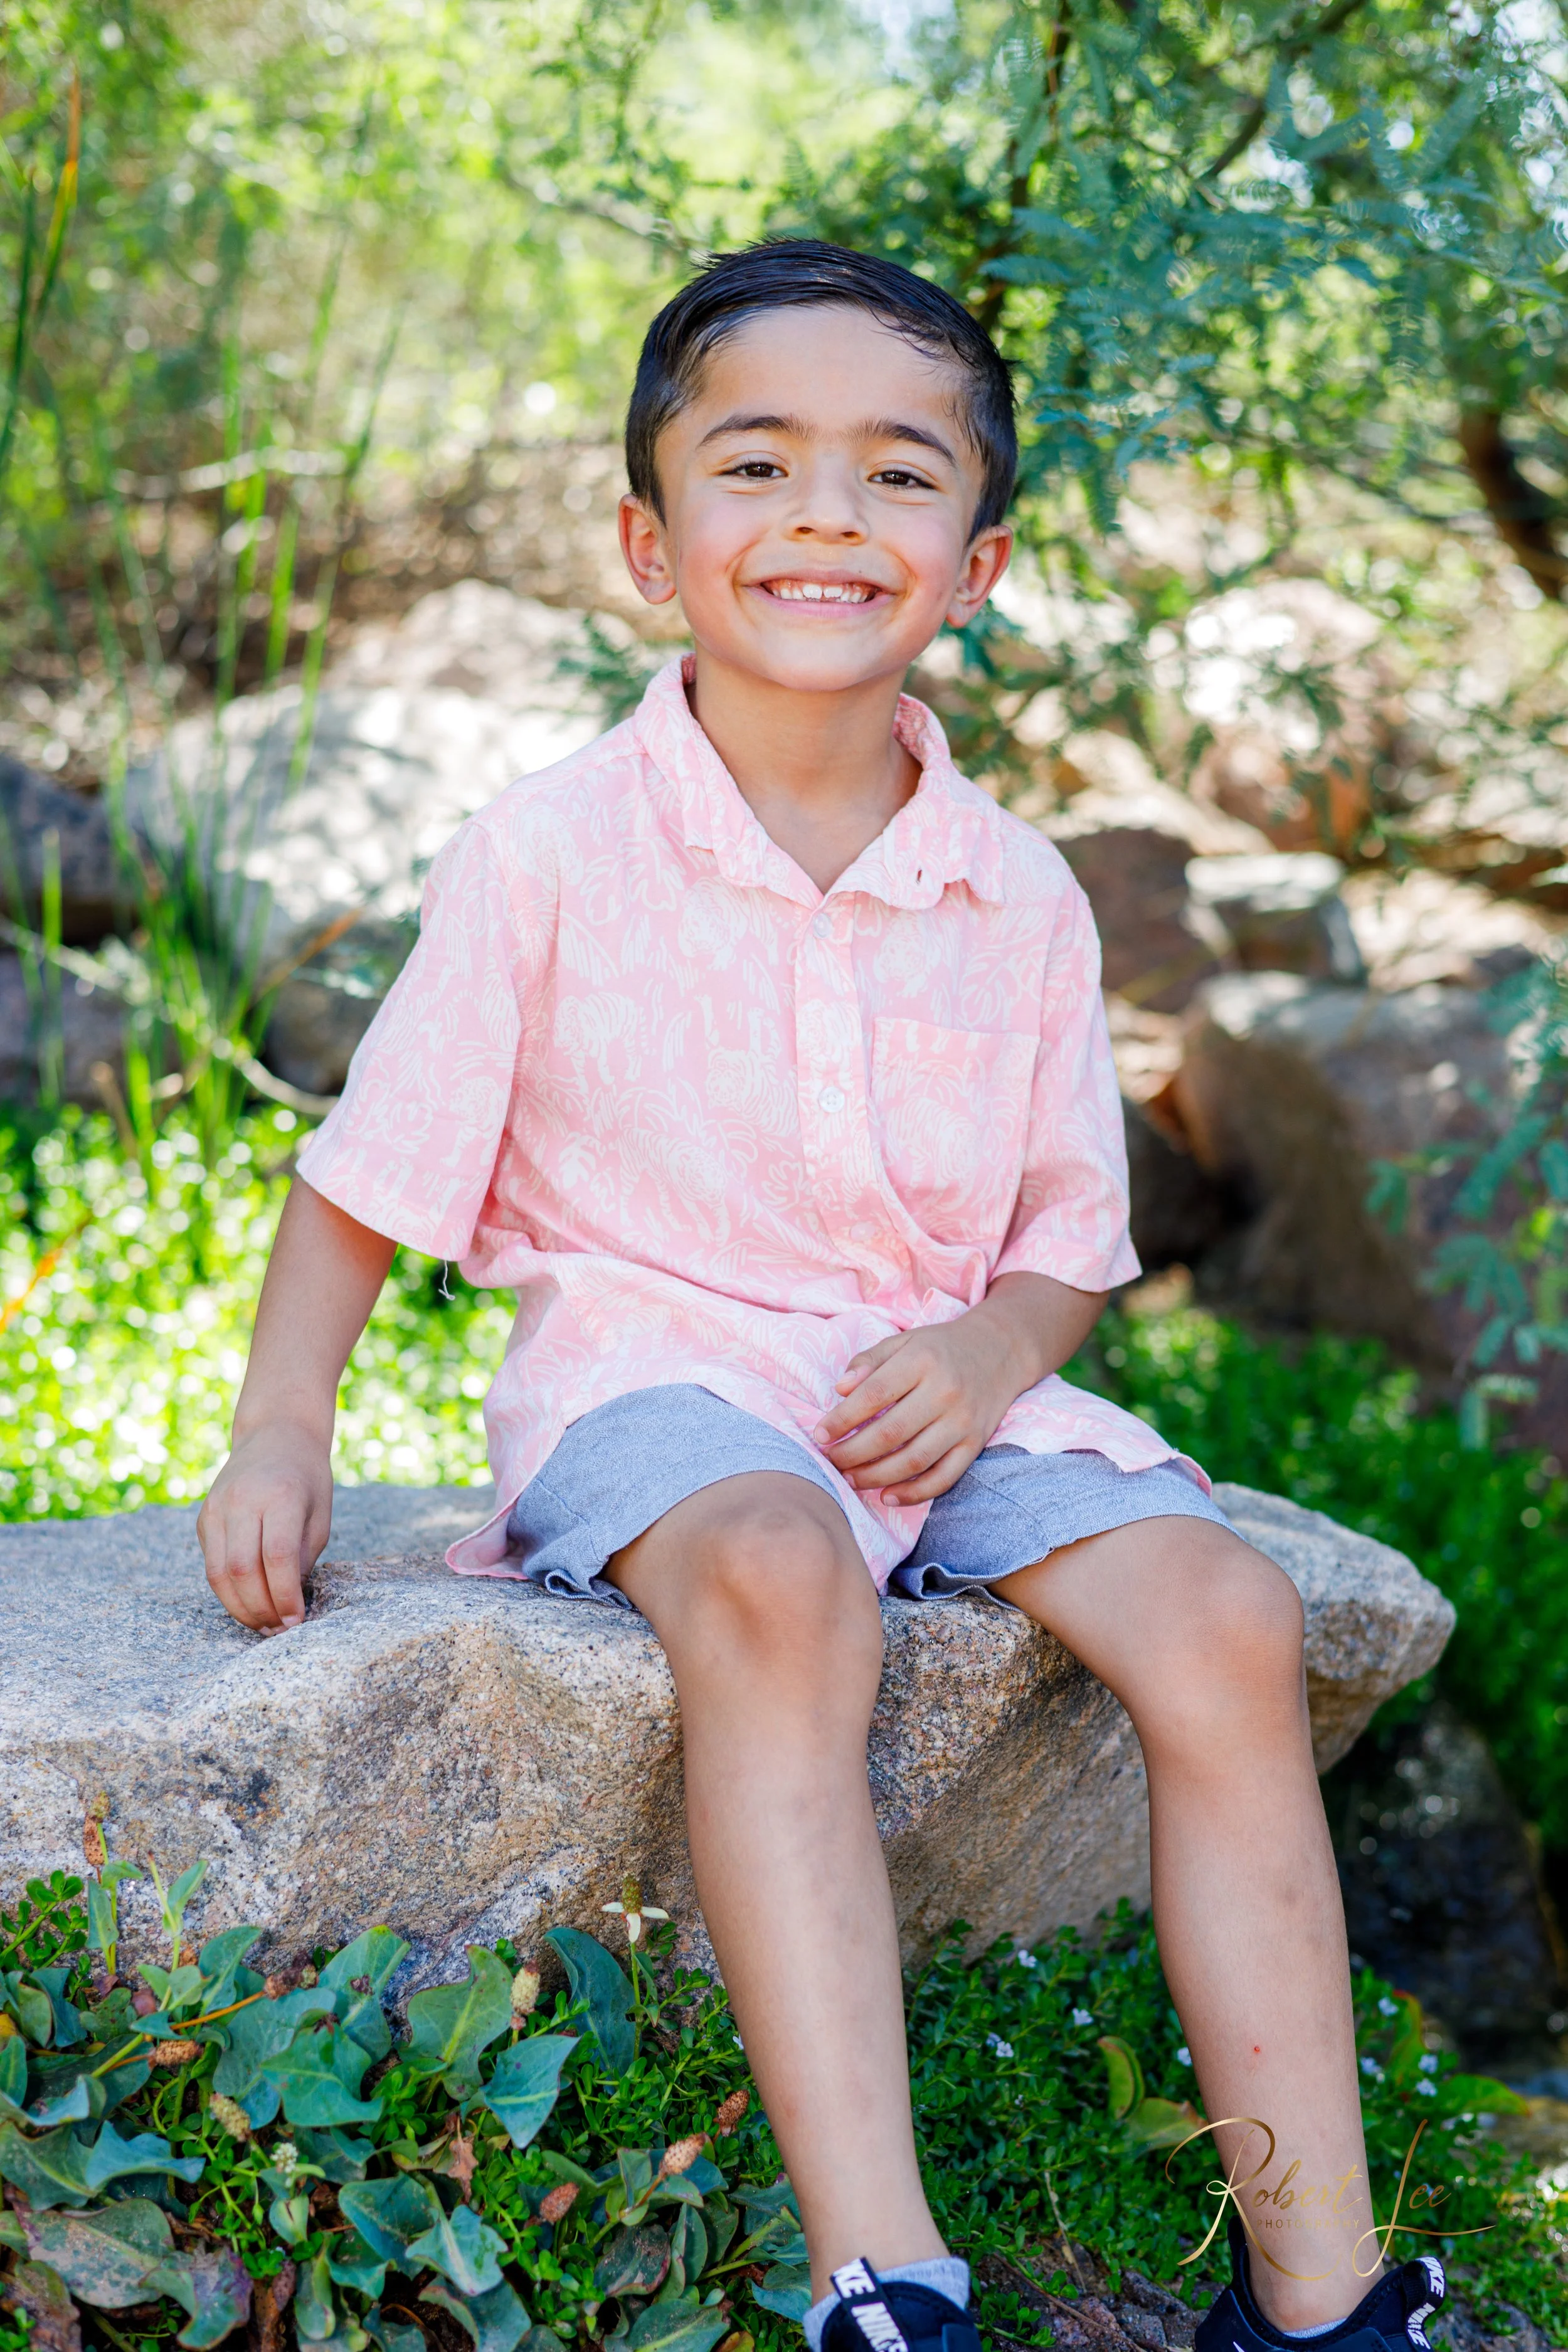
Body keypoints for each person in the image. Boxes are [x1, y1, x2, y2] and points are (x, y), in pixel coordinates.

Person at [199, 241, 1444, 2352]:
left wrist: (988, 1351)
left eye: (894, 476)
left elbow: (1061, 1236)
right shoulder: (548, 850)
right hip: (661, 1368)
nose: (823, 518)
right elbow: (364, 1180)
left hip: (941, 1396)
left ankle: (1315, 2289)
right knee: (783, 1574)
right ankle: (894, 2276)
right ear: (647, 538)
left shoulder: (1019, 893)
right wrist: (279, 1430)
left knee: (1224, 1610)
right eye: (756, 463)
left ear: (973, 559)